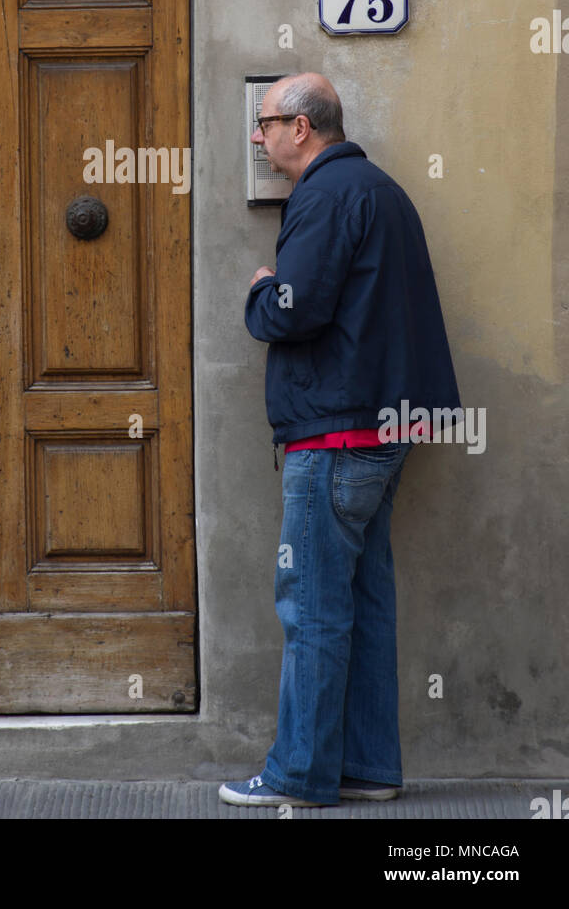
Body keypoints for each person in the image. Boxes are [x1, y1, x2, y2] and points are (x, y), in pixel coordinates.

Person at [219, 73, 462, 808]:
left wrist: (263, 287)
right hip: (382, 432)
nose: (257, 137)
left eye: (264, 123)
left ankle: (298, 775)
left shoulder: (323, 196)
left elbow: (295, 312)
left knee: (313, 606)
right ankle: (368, 767)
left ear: (302, 126)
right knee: (364, 600)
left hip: (337, 435)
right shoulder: (379, 189)